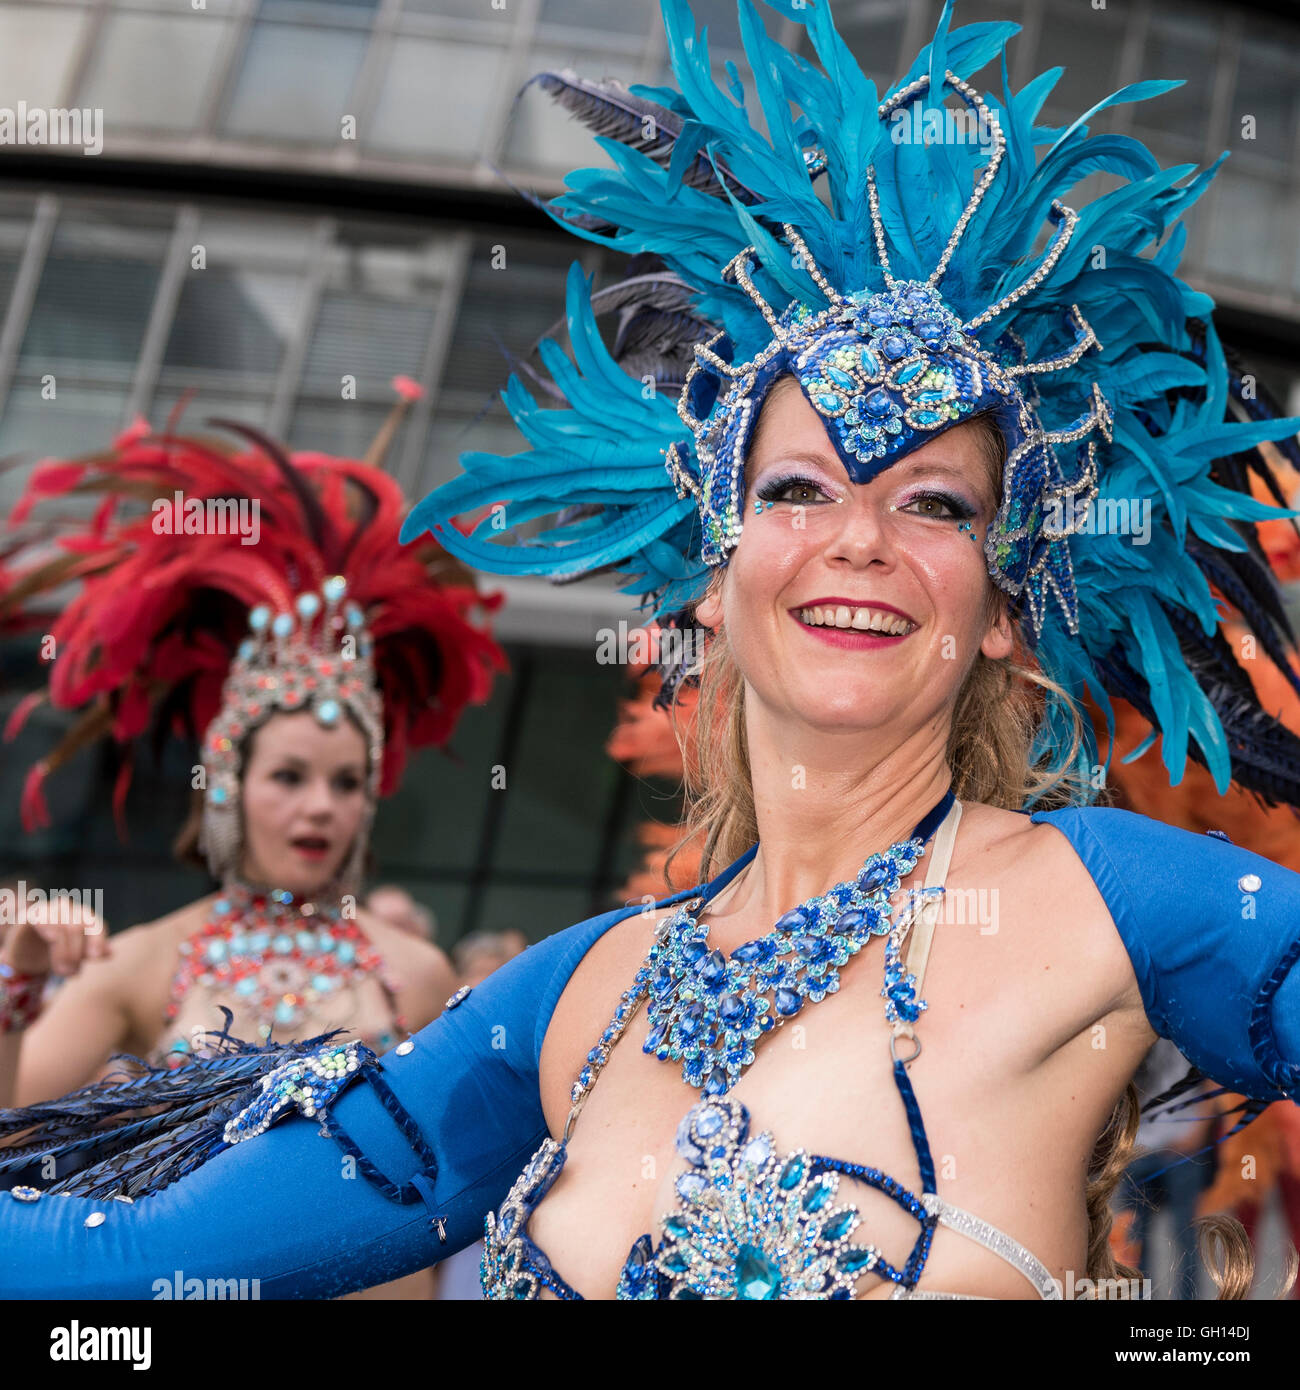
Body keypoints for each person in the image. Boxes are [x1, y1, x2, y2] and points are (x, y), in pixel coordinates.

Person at [4, 0, 1300, 1302]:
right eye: (797, 491)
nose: (860, 538)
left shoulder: (1109, 901)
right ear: (714, 582)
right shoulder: (584, 988)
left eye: (937, 504)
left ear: (1006, 611)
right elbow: (137, 1258)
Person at [0, 402, 504, 1297]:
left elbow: (471, 1190)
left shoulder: (416, 973)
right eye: (291, 777)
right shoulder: (145, 961)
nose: (322, 808)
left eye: (348, 783)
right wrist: (17, 982)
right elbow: (12, 1144)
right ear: (227, 784)